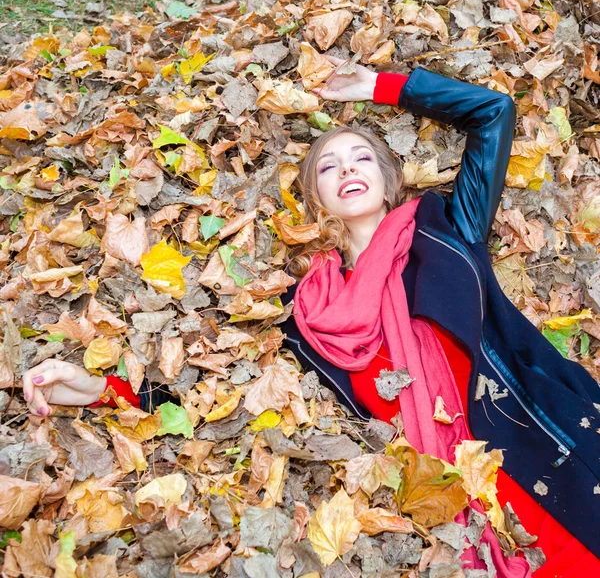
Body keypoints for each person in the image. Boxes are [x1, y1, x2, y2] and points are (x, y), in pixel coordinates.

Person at [22, 58, 600, 575]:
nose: (347, 168)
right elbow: (221, 401)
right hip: (448, 516)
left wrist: (379, 86)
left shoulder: (447, 231)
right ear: (316, 198)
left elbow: (494, 113)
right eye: (328, 166)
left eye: (362, 156)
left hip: (550, 459)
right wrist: (101, 390)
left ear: (388, 178)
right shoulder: (307, 313)